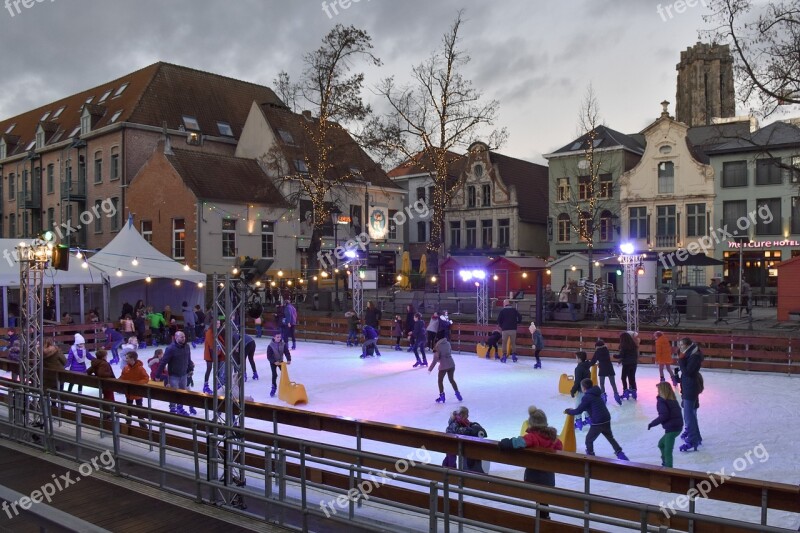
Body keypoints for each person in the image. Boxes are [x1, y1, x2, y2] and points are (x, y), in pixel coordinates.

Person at [498, 406, 563, 520]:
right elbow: (560, 447)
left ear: (531, 423)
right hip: (548, 478)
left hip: (534, 477)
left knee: (539, 497)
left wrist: (505, 443)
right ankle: (544, 518)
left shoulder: (532, 437)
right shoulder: (554, 439)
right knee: (543, 500)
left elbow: (518, 443)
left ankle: (542, 520)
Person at [564, 378, 628, 460]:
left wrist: (568, 411)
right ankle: (620, 454)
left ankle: (591, 456)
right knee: (610, 437)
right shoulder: (596, 393)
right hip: (606, 418)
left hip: (598, 421)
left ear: (584, 388)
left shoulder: (587, 397)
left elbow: (578, 410)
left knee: (588, 440)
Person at [155, 331, 194, 416]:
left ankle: (180, 407)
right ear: (176, 338)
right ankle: (172, 408)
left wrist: (190, 369)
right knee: (174, 393)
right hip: (173, 375)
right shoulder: (171, 348)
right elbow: (163, 362)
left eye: (184, 337)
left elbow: (188, 359)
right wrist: (157, 375)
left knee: (182, 392)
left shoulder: (187, 347)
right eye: (181, 337)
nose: (183, 338)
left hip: (183, 374)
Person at [677, 337, 704, 452]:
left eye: (681, 345)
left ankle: (693, 440)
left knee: (688, 416)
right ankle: (696, 437)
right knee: (691, 414)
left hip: (691, 388)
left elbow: (688, 372)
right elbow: (687, 373)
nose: (680, 347)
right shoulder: (690, 353)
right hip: (688, 386)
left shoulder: (695, 356)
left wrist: (681, 361)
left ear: (688, 345)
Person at [647, 381, 683, 467]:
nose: (658, 392)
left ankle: (669, 469)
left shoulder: (662, 402)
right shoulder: (673, 400)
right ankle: (664, 462)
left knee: (668, 451)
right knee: (661, 444)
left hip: (672, 429)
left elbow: (664, 416)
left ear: (662, 391)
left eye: (659, 390)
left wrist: (652, 424)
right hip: (678, 427)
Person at [443, 406, 488, 473]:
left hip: (457, 443)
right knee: (451, 459)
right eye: (467, 414)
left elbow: (468, 424)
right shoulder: (454, 422)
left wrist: (474, 425)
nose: (468, 416)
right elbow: (458, 430)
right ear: (461, 414)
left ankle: (457, 469)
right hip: (450, 443)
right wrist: (469, 430)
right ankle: (449, 471)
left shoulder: (463, 420)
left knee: (455, 456)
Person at [429, 330, 461, 403]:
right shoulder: (448, 343)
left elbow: (435, 359)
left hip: (443, 366)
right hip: (451, 364)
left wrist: (430, 369)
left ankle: (442, 396)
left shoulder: (437, 346)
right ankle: (458, 394)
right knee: (451, 380)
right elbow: (449, 352)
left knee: (440, 381)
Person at [120, 350, 150, 429]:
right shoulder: (126, 368)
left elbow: (146, 378)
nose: (126, 359)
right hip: (129, 392)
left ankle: (142, 424)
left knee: (139, 409)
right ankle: (128, 423)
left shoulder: (140, 369)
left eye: (127, 358)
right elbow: (122, 377)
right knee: (129, 409)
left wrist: (137, 384)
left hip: (138, 393)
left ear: (132, 359)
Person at [590, 340, 621, 404]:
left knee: (602, 383)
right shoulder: (606, 350)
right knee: (613, 383)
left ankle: (603, 396)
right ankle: (616, 395)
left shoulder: (597, 352)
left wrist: (588, 364)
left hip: (602, 368)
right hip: (609, 368)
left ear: (597, 346)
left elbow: (593, 361)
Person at [570, 351, 593, 428]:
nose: (575, 359)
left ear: (579, 359)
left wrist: (573, 391)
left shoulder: (579, 368)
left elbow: (577, 382)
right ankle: (589, 419)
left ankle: (578, 422)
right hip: (588, 390)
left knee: (578, 406)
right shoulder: (587, 366)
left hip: (581, 390)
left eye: (576, 358)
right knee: (586, 405)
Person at [203, 321, 225, 394]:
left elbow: (221, 342)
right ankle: (205, 386)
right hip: (210, 353)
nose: (219, 325)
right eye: (217, 323)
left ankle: (218, 384)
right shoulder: (209, 332)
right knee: (209, 369)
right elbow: (211, 344)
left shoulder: (217, 331)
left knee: (218, 369)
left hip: (217, 354)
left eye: (219, 323)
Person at [615, 331, 639, 400]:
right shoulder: (633, 345)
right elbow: (636, 355)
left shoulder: (624, 346)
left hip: (626, 364)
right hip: (633, 364)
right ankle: (634, 392)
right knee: (632, 378)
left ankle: (626, 392)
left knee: (623, 378)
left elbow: (621, 355)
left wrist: (614, 356)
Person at [267, 331, 291, 397]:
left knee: (284, 374)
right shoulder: (270, 346)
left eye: (280, 337)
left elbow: (287, 352)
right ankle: (273, 388)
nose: (279, 338)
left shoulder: (283, 344)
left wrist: (289, 359)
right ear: (274, 337)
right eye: (277, 337)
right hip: (273, 363)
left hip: (281, 362)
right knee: (274, 375)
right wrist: (274, 361)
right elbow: (269, 356)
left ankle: (287, 387)